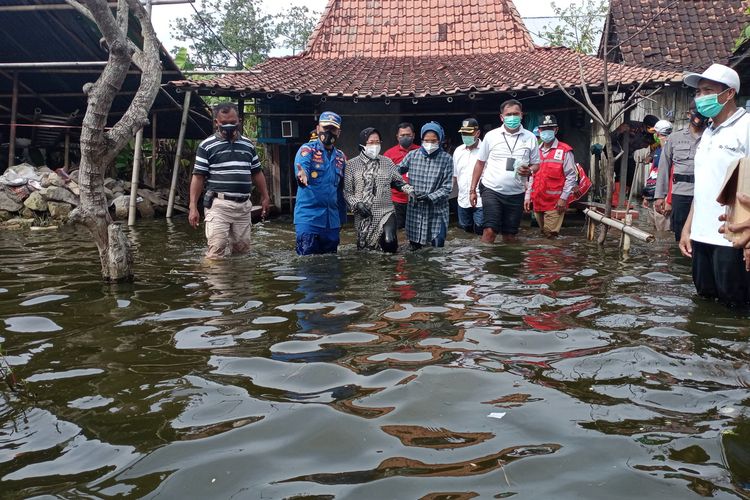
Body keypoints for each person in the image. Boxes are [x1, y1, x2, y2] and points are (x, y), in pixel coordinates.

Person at [679, 63, 750, 307]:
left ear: (729, 93)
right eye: (698, 93)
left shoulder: (746, 126)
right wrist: (688, 228)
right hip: (701, 236)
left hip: (732, 236)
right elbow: (704, 187)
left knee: (735, 309)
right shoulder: (708, 132)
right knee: (704, 304)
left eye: (707, 91)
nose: (700, 98)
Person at [188, 102, 270, 259]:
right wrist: (193, 206)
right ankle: (217, 283)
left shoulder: (248, 145)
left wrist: (265, 196)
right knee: (216, 251)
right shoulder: (206, 146)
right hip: (218, 205)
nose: (229, 126)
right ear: (216, 123)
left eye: (232, 122)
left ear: (239, 120)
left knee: (242, 251)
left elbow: (257, 173)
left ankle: (239, 282)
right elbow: (198, 177)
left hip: (243, 206)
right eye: (224, 123)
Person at [470, 99, 540, 243]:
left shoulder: (530, 137)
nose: (512, 117)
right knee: (490, 231)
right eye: (508, 114)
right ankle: (486, 264)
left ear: (521, 115)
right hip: (492, 189)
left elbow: (536, 165)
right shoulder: (491, 136)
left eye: (516, 114)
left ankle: (507, 264)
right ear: (502, 117)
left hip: (516, 192)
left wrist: (529, 170)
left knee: (510, 236)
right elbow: (479, 163)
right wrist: (472, 190)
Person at [344, 127, 415, 252]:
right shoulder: (351, 165)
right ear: (362, 144)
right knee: (365, 250)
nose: (375, 145)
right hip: (363, 214)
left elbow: (398, 182)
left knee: (390, 242)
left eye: (377, 142)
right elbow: (347, 192)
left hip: (385, 211)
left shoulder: (387, 162)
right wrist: (357, 204)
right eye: (371, 142)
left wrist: (411, 191)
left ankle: (389, 270)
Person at [293, 111, 348, 255]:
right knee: (308, 265)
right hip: (309, 219)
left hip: (332, 222)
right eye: (325, 128)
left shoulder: (341, 157)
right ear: (318, 129)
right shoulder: (307, 150)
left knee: (331, 266)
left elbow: (341, 190)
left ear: (339, 132)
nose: (328, 132)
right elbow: (301, 168)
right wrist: (302, 176)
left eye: (333, 129)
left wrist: (342, 218)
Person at [654, 105, 707, 241]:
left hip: (705, 194)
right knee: (680, 233)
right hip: (681, 194)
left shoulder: (712, 136)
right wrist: (660, 196)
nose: (699, 116)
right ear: (689, 114)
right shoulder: (674, 138)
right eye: (696, 112)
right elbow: (664, 166)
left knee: (702, 235)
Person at [399, 121, 453, 250]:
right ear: (422, 139)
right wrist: (407, 189)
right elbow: (397, 171)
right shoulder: (412, 155)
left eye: (433, 140)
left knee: (437, 248)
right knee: (415, 249)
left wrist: (430, 197)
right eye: (426, 140)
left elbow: (447, 188)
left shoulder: (446, 159)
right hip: (416, 210)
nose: (429, 144)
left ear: (440, 140)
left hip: (437, 211)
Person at [523, 114, 577, 238]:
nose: (546, 132)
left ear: (556, 130)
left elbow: (571, 177)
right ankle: (546, 257)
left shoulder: (565, 150)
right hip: (538, 200)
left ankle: (553, 257)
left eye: (550, 129)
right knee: (543, 234)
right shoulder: (536, 150)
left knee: (550, 235)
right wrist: (528, 196)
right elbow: (532, 176)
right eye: (543, 129)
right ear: (539, 130)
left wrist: (563, 198)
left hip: (555, 203)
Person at [383, 122, 420, 230]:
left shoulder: (421, 152)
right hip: (396, 201)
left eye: (408, 135)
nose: (405, 137)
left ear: (413, 135)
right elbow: (384, 177)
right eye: (402, 135)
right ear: (397, 137)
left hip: (416, 199)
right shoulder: (389, 154)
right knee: (397, 231)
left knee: (416, 231)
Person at [453, 118, 484, 235]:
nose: (466, 136)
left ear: (477, 133)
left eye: (469, 133)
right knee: (466, 230)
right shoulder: (458, 151)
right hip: (462, 199)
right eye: (463, 133)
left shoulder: (485, 150)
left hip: (481, 199)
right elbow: (455, 176)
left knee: (480, 228)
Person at [642, 119, 672, 232]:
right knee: (653, 229)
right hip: (651, 195)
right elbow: (653, 172)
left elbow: (670, 176)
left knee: (663, 230)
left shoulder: (670, 150)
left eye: (656, 133)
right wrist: (646, 196)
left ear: (659, 134)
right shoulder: (658, 150)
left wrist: (667, 198)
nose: (654, 135)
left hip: (662, 197)